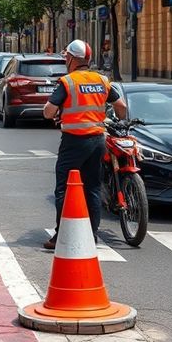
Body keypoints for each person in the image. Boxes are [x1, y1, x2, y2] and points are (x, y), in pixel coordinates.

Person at [42, 39, 127, 249]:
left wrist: (57, 112)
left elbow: (48, 112)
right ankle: (92, 234)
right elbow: (121, 106)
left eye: (66, 57)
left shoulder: (68, 81)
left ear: (71, 58)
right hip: (98, 140)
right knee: (93, 188)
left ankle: (61, 235)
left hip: (74, 142)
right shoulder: (102, 80)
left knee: (64, 188)